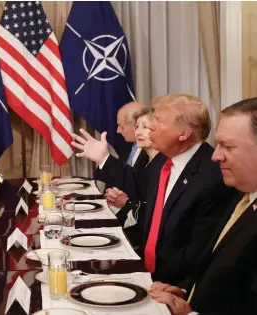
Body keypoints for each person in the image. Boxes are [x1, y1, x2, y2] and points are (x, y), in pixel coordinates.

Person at [71, 94, 236, 284]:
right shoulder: (164, 160)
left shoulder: (212, 177)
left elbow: (198, 251)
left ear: (183, 134)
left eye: (158, 121)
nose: (150, 126)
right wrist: (103, 159)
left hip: (173, 285)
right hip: (146, 270)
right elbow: (137, 186)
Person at [150, 97, 257, 315]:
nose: (216, 155)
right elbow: (224, 272)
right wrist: (186, 290)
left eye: (227, 146)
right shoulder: (242, 195)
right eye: (217, 144)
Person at [107, 108, 160, 246]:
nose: (139, 132)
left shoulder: (162, 165)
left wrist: (126, 202)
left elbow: (151, 214)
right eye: (137, 127)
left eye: (145, 127)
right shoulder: (144, 160)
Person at [94, 101, 149, 204]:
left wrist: (104, 158)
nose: (118, 131)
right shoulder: (126, 146)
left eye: (121, 126)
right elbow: (113, 178)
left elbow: (136, 189)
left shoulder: (152, 153)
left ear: (136, 126)